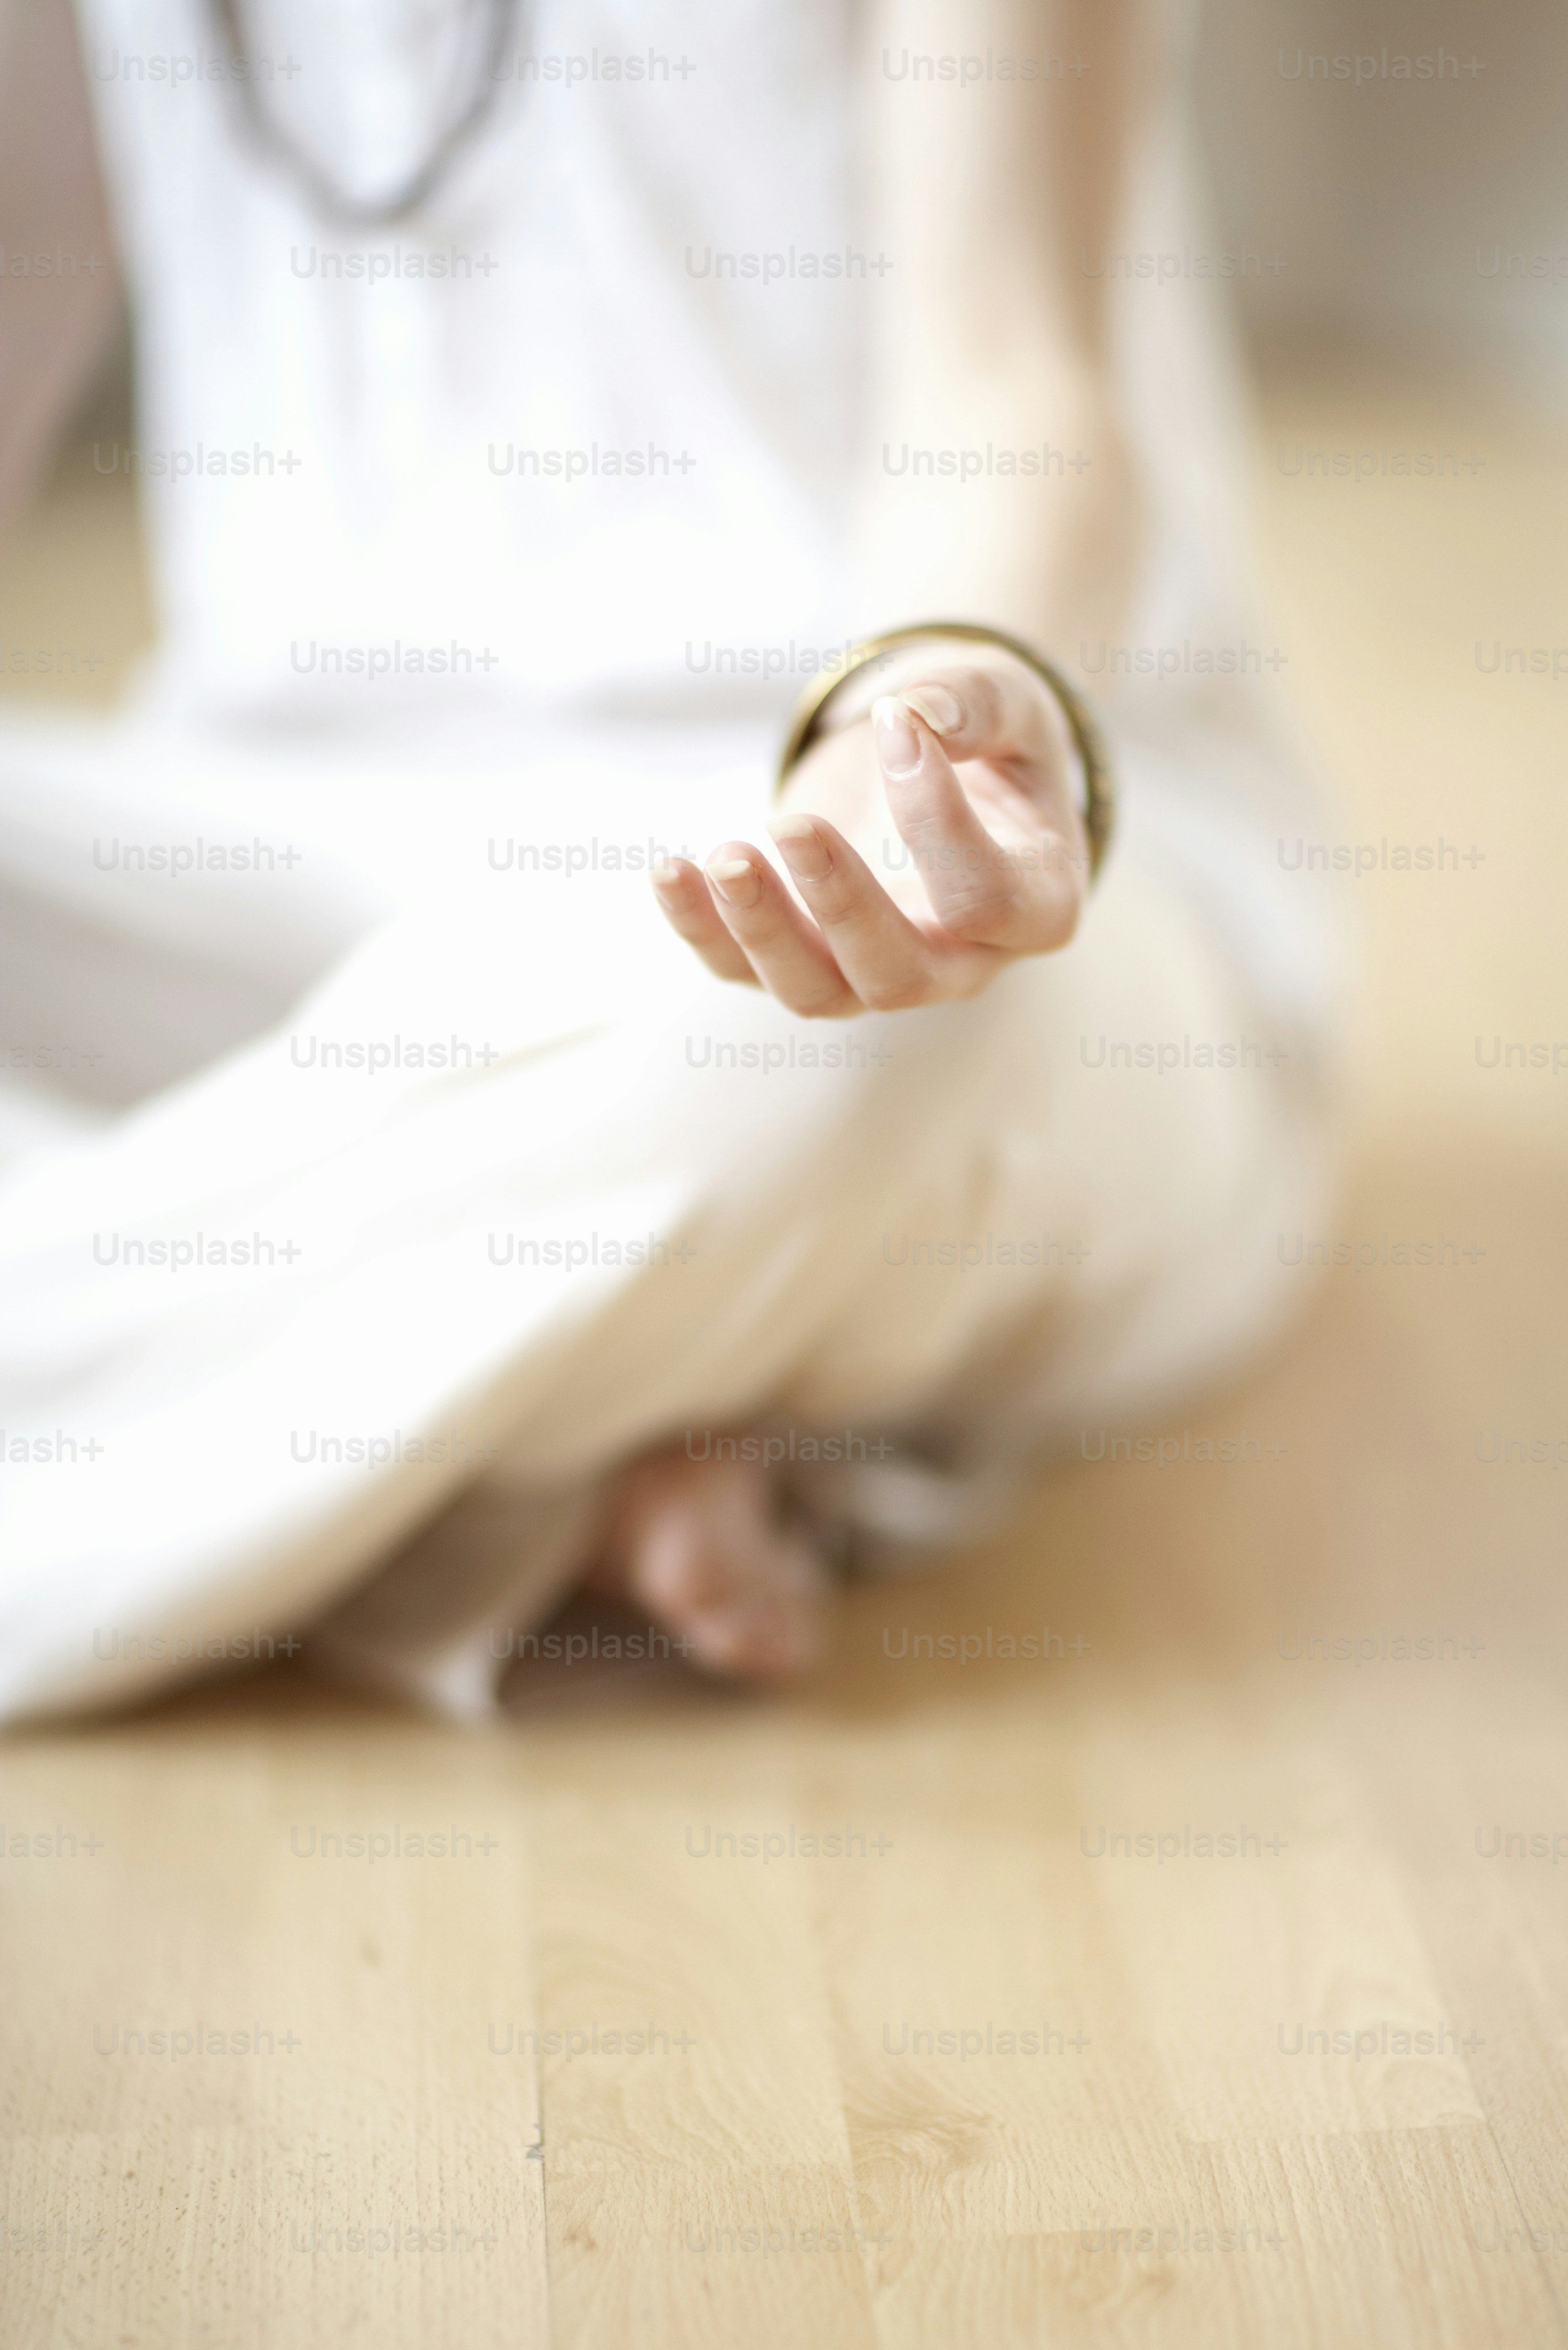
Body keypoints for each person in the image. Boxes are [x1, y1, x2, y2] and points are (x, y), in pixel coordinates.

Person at [0, 0, 1337, 1721]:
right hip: (283, 853)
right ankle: (503, 1466)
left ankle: (415, 1444)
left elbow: (1015, 376)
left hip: (875, 897)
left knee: (816, 1057)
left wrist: (916, 730)